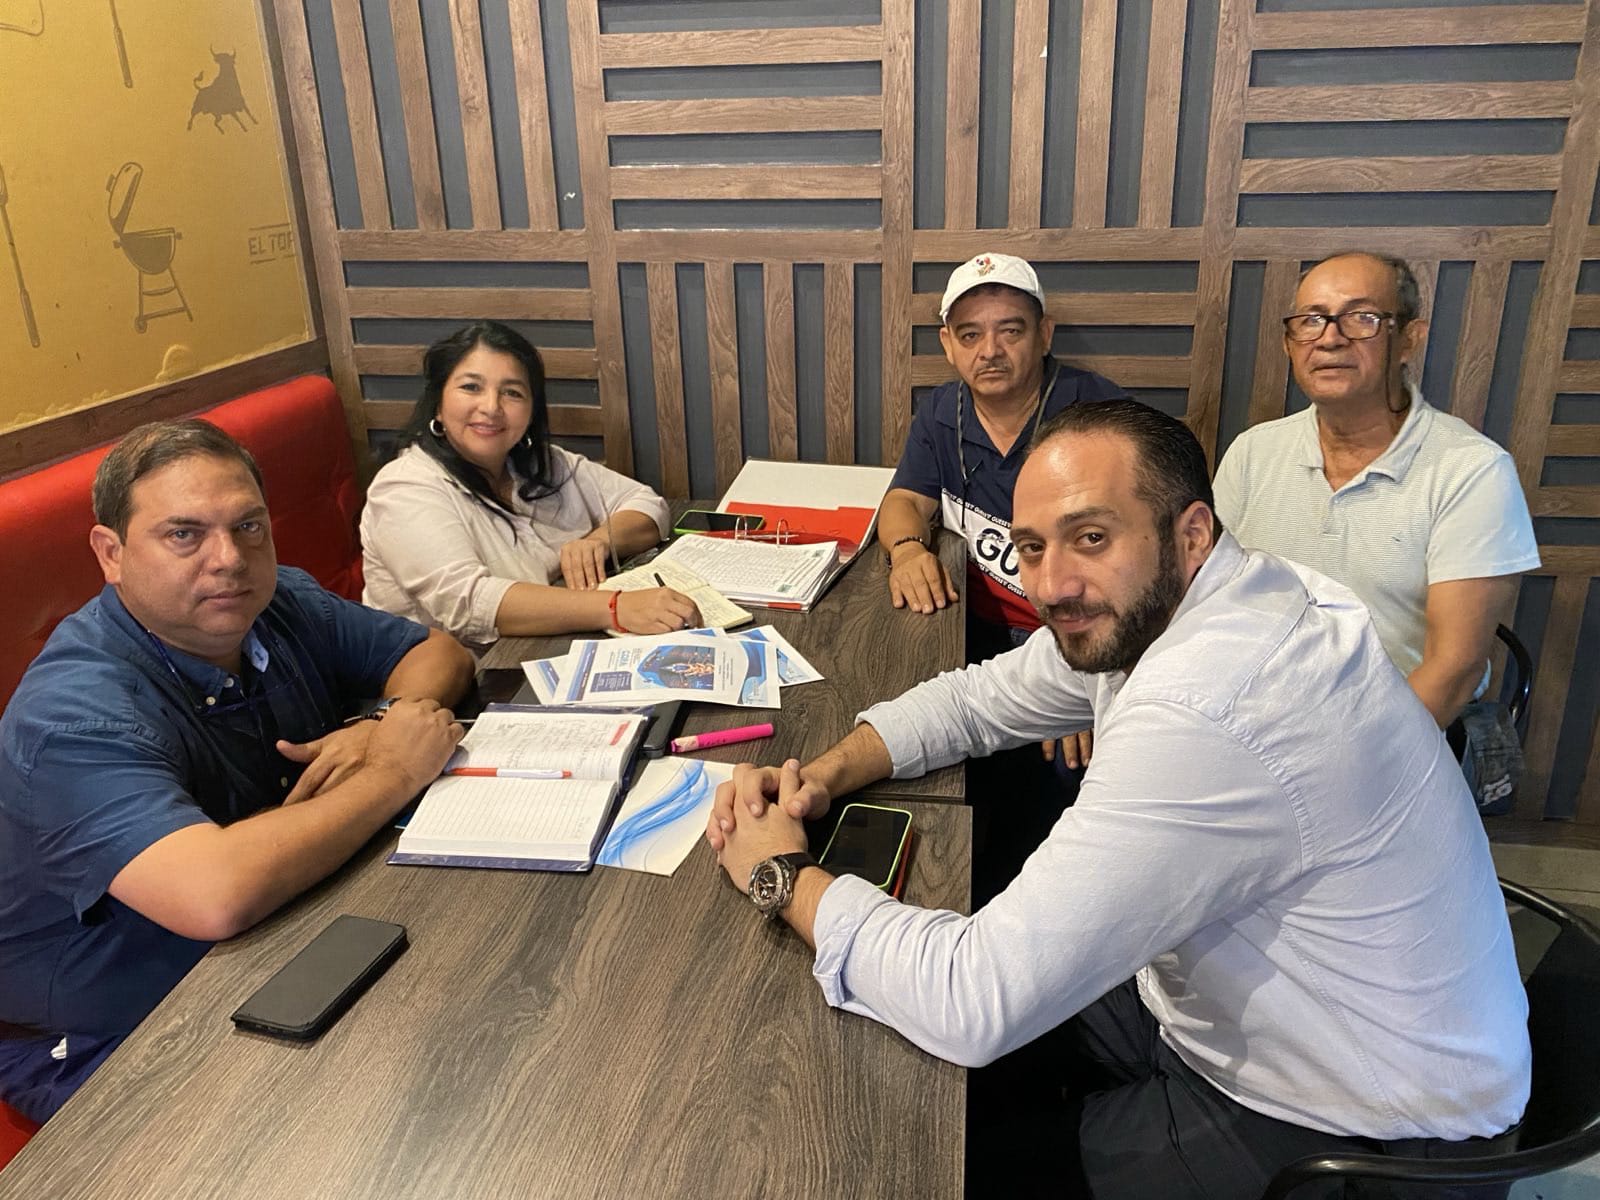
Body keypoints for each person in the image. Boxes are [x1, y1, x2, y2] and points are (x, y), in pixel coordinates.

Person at [707, 400, 1529, 1199]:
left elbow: (971, 998)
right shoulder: (1197, 597)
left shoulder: (1212, 704)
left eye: (1091, 537)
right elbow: (979, 700)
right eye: (1031, 548)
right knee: (925, 1068)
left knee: (927, 1164)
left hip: (1369, 1127)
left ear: (1191, 533)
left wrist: (781, 873)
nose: (1053, 584)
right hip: (1242, 1012)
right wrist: (825, 774)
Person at [0, 420, 476, 1122]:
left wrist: (381, 723)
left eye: (248, 526)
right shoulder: (73, 713)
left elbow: (438, 653)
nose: (229, 558)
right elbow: (212, 894)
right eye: (183, 534)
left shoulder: (277, 603)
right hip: (108, 1025)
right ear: (111, 553)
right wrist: (393, 770)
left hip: (282, 928)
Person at [1214, 251, 1539, 729]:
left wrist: (1348, 760)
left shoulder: (1473, 470)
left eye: (1361, 318)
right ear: (1289, 343)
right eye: (1311, 320)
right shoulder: (1253, 451)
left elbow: (1454, 670)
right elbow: (1208, 603)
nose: (1330, 338)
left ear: (1409, 339)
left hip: (1392, 730)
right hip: (1253, 717)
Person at [361, 321, 699, 651]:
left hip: (548, 647)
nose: (491, 407)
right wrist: (615, 607)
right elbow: (468, 604)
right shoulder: (404, 487)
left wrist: (598, 541)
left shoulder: (542, 463)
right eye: (471, 387)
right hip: (470, 675)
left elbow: (646, 503)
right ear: (438, 402)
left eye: (512, 392)